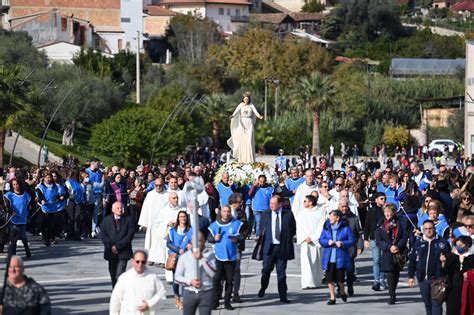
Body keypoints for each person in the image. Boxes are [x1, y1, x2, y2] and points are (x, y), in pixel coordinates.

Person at [258, 195, 297, 303]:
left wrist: (286, 239)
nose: (271, 206)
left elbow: (293, 229)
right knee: (266, 270)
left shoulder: (288, 214)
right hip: (269, 248)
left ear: (280, 204)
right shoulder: (266, 214)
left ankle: (283, 296)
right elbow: (261, 230)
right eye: (270, 204)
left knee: (281, 273)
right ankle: (263, 287)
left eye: (274, 204)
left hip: (282, 248)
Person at [408, 220, 450, 315]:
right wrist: (411, 276)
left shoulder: (442, 243)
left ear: (434, 229)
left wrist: (444, 261)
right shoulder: (418, 243)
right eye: (426, 229)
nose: (428, 231)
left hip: (438, 279)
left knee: (436, 303)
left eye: (430, 228)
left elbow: (450, 261)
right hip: (423, 278)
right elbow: (412, 261)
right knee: (428, 304)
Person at [110, 250, 166, 315]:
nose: (140, 264)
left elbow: (161, 294)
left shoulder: (152, 277)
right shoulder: (125, 278)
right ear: (133, 261)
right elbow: (115, 300)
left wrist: (149, 304)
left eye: (143, 262)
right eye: (137, 261)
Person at [208, 206, 242, 310]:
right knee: (216, 280)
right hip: (218, 257)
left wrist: (237, 239)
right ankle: (215, 301)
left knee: (229, 281)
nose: (226, 213)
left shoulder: (236, 224)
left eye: (228, 211)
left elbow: (242, 237)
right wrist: (214, 238)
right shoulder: (214, 225)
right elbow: (209, 238)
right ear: (220, 212)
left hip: (231, 257)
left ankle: (227, 302)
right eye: (224, 211)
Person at [320, 210, 356, 305]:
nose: (329, 218)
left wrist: (343, 243)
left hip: (340, 257)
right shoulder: (327, 228)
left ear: (337, 218)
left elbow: (352, 240)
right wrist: (327, 242)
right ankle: (332, 298)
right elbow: (321, 239)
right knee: (329, 279)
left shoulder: (345, 228)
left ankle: (342, 291)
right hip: (329, 257)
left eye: (331, 216)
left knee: (340, 279)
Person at [175, 232, 216, 315]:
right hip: (190, 292)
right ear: (191, 242)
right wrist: (190, 281)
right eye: (195, 241)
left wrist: (203, 259)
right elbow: (177, 277)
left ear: (204, 241)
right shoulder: (185, 257)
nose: (198, 244)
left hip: (206, 292)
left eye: (200, 241)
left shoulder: (210, 255)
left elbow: (213, 274)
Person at [375, 203, 408, 304]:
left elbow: (404, 236)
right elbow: (378, 241)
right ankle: (392, 294)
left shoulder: (400, 223)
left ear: (394, 212)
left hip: (398, 252)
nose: (388, 214)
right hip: (387, 253)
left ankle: (393, 289)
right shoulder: (381, 224)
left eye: (390, 212)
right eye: (386, 212)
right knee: (389, 274)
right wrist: (389, 247)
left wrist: (397, 246)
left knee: (396, 274)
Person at [101, 201, 135, 287]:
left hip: (123, 251)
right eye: (118, 208)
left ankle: (119, 290)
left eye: (121, 208)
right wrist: (111, 246)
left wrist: (118, 246)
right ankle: (115, 289)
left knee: (120, 273)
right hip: (110, 251)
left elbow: (129, 236)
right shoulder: (106, 220)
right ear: (113, 210)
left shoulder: (128, 219)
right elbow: (104, 235)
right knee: (113, 273)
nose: (120, 210)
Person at [296, 195, 325, 289]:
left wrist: (313, 237)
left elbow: (321, 226)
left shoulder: (320, 212)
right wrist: (305, 237)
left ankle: (316, 282)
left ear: (311, 202)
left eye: (305, 201)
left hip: (316, 241)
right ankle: (306, 283)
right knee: (306, 263)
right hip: (305, 241)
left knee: (317, 262)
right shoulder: (302, 213)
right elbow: (299, 227)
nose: (303, 203)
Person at [138, 178, 168, 266]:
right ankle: (151, 258)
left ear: (163, 185)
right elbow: (145, 208)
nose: (158, 187)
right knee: (151, 241)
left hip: (163, 223)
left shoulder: (167, 195)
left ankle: (163, 260)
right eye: (156, 185)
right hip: (152, 223)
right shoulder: (150, 195)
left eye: (160, 185)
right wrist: (144, 223)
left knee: (162, 241)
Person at [167, 210, 193, 310]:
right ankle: (177, 296)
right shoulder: (173, 230)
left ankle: (183, 299)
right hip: (175, 257)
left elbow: (194, 241)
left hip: (186, 257)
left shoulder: (190, 230)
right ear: (178, 218)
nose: (183, 218)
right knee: (176, 279)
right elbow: (168, 243)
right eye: (181, 216)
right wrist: (178, 250)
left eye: (184, 216)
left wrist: (191, 245)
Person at [227, 92, 263, 163]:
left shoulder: (251, 105)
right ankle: (242, 159)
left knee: (249, 140)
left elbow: (256, 112)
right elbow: (236, 112)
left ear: (249, 99)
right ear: (243, 99)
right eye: (245, 99)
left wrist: (259, 116)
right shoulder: (241, 105)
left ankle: (250, 158)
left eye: (247, 99)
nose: (246, 100)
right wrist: (233, 115)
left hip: (249, 123)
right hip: (242, 123)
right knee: (242, 141)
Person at [339, 197, 364, 297]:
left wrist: (360, 245)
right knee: (339, 271)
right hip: (337, 248)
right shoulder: (334, 216)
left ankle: (350, 286)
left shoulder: (354, 218)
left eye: (346, 206)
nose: (344, 208)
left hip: (350, 248)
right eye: (342, 207)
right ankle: (340, 289)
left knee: (349, 271)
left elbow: (358, 232)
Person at [443, 236, 474, 315]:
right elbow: (444, 270)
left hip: (466, 289)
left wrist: (469, 273)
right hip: (452, 289)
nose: (458, 247)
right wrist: (443, 263)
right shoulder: (451, 256)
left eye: (461, 245)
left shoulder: (471, 257)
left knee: (465, 308)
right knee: (452, 309)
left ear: (467, 245)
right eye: (457, 245)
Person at [364, 192, 387, 291]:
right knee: (376, 259)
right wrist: (365, 239)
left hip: (385, 238)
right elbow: (367, 225)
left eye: (384, 199)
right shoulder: (371, 211)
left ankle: (382, 278)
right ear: (376, 199)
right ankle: (376, 280)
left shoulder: (387, 210)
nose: (383, 200)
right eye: (381, 198)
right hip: (374, 238)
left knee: (384, 259)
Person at [36, 171, 67, 246]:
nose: (49, 179)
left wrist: (60, 197)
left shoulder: (56, 186)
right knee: (42, 223)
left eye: (50, 177)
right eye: (47, 177)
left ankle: (48, 239)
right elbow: (39, 194)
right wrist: (42, 200)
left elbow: (61, 194)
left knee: (50, 225)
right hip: (43, 207)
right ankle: (44, 236)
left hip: (52, 208)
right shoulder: (40, 186)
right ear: (44, 178)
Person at [228, 192, 249, 303]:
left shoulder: (241, 213)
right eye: (239, 202)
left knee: (236, 270)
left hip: (237, 246)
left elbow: (246, 228)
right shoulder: (224, 211)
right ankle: (224, 292)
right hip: (225, 246)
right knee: (224, 270)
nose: (241, 204)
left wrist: (240, 238)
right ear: (233, 203)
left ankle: (235, 293)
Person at [3, 179, 32, 258]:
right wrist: (10, 211)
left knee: (23, 236)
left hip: (23, 218)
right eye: (14, 184)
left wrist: (29, 215)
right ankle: (13, 255)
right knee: (13, 237)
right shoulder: (9, 195)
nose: (16, 186)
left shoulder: (26, 194)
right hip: (13, 218)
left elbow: (29, 206)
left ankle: (27, 250)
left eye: (17, 184)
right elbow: (6, 206)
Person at [64, 168, 84, 241]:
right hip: (71, 201)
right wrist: (73, 196)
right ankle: (69, 234)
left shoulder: (79, 183)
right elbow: (68, 191)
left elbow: (82, 191)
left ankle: (77, 234)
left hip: (79, 202)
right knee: (71, 218)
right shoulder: (69, 182)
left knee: (77, 217)